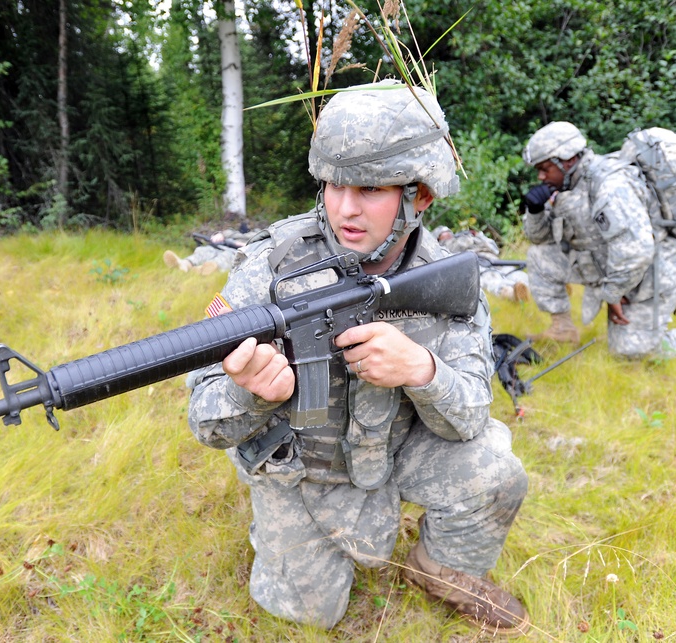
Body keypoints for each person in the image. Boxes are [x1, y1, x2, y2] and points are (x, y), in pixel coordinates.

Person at [186, 81, 530, 635]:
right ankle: (283, 531)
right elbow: (206, 421)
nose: (346, 207)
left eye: (370, 188)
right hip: (302, 468)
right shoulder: (270, 265)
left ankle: (440, 571)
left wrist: (423, 371)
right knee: (309, 614)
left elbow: (471, 412)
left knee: (495, 468)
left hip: (394, 448)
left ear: (420, 195)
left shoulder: (446, 276)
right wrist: (247, 392)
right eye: (333, 185)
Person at [520, 121, 676, 358]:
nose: (541, 176)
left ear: (566, 160)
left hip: (650, 272)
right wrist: (535, 211)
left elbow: (637, 251)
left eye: (545, 168)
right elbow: (539, 239)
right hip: (608, 266)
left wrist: (612, 294)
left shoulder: (610, 185)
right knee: (540, 256)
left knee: (633, 352)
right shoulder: (567, 185)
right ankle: (562, 329)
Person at [432, 226, 531, 302]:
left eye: (449, 233)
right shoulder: (444, 249)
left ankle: (527, 289)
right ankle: (511, 293)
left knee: (517, 274)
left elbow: (494, 249)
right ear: (438, 239)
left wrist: (479, 236)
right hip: (476, 264)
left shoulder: (472, 238)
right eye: (444, 235)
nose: (449, 236)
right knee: (491, 279)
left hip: (493, 260)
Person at [163, 227, 252, 275]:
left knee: (226, 256)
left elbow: (260, 245)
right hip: (219, 246)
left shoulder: (258, 235)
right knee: (205, 251)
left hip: (236, 251)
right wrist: (219, 235)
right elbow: (222, 233)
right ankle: (184, 264)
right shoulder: (233, 232)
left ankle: (202, 269)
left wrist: (239, 244)